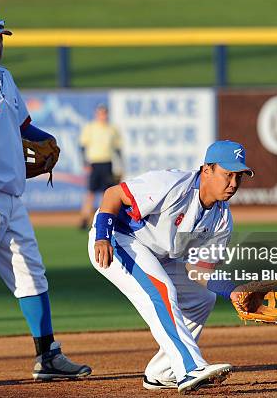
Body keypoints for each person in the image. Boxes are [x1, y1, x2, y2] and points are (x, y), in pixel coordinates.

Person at [0, 11, 91, 385]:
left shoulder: (6, 79)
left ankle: (48, 356)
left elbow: (23, 125)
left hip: (13, 195)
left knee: (32, 275)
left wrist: (47, 138)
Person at [88, 140, 255, 393]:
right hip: (118, 240)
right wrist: (102, 236)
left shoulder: (222, 218)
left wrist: (232, 291)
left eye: (239, 177)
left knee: (202, 298)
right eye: (228, 174)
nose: (233, 183)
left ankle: (162, 372)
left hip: (160, 255)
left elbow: (200, 269)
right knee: (162, 290)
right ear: (206, 170)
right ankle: (189, 368)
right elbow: (113, 194)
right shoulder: (172, 184)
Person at [79, 105, 122, 229]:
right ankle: (84, 219)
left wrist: (120, 165)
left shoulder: (112, 129)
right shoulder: (90, 127)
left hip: (107, 163)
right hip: (95, 163)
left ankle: (105, 218)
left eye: (105, 113)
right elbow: (83, 146)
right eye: (101, 113)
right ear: (96, 114)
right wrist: (85, 162)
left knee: (107, 193)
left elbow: (118, 148)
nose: (103, 116)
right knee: (90, 193)